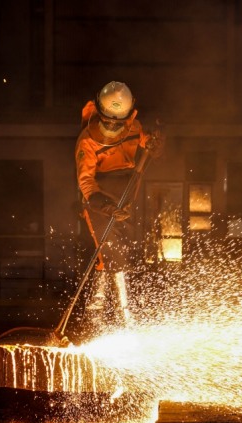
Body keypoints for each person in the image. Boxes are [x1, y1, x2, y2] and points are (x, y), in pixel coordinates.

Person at [74, 81, 163, 333]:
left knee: (116, 255)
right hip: (98, 202)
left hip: (125, 196)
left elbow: (149, 145)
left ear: (129, 116)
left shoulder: (134, 128)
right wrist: (107, 206)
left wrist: (156, 145)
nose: (112, 127)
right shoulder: (87, 142)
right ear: (99, 114)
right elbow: (86, 183)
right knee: (112, 256)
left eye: (117, 123)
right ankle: (121, 320)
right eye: (107, 121)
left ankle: (96, 322)